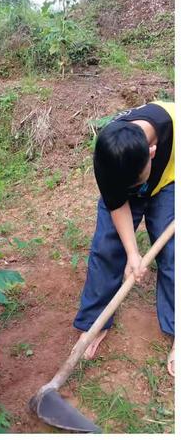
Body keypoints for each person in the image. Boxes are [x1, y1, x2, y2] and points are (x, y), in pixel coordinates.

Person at [73, 101, 175, 376]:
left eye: (137, 183)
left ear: (152, 152)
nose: (136, 191)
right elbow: (117, 203)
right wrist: (133, 254)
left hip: (169, 182)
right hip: (129, 175)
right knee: (107, 247)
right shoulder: (109, 153)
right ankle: (95, 323)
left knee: (174, 254)